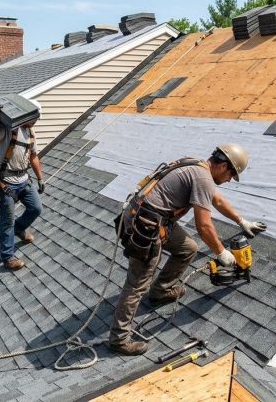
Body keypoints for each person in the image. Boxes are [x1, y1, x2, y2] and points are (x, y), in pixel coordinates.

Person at [108, 143, 267, 356]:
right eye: (231, 175)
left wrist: (241, 221)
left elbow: (216, 199)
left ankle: (161, 291)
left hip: (154, 220)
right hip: (145, 228)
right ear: (223, 166)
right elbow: (204, 225)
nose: (229, 180)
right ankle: (118, 339)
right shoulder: (202, 178)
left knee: (187, 248)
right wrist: (221, 252)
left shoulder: (197, 166)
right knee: (137, 283)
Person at [0, 113, 45, 271]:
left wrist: (40, 178)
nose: (34, 123)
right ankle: (7, 257)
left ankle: (19, 229)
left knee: (36, 208)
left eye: (36, 119)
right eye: (33, 119)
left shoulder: (31, 133)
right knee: (7, 221)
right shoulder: (8, 129)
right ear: (25, 116)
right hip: (6, 182)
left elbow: (33, 156)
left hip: (24, 179)